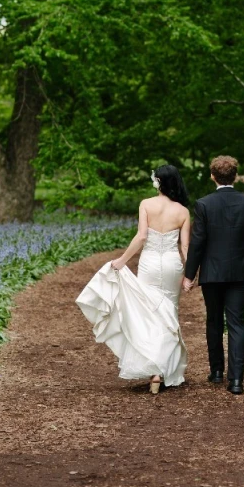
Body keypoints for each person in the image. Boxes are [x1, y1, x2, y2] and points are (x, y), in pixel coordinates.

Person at [76, 165, 189, 394]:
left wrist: (122, 260)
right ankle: (162, 370)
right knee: (169, 312)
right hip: (171, 265)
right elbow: (185, 247)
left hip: (148, 264)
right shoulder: (183, 211)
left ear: (158, 181)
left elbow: (142, 236)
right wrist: (190, 274)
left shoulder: (146, 204)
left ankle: (154, 368)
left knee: (149, 313)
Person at [183, 155, 244, 395]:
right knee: (237, 322)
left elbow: (197, 243)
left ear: (212, 176)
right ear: (235, 176)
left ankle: (217, 371)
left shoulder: (204, 204)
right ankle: (237, 381)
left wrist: (189, 275)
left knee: (214, 319)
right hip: (241, 271)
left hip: (213, 271)